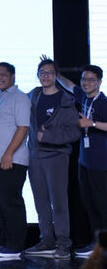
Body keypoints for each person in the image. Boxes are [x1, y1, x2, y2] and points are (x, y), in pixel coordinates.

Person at [24, 58, 80, 259]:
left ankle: (63, 243)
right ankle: (47, 240)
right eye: (42, 72)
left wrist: (49, 136)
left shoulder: (66, 100)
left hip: (56, 156)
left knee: (59, 202)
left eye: (49, 72)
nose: (45, 76)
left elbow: (74, 132)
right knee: (41, 201)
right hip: (35, 157)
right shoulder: (33, 95)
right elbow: (13, 109)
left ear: (56, 75)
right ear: (38, 75)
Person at [55, 63, 107, 258]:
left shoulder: (103, 102)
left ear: (99, 82)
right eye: (84, 78)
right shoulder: (83, 96)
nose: (86, 83)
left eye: (91, 80)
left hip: (101, 163)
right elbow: (70, 85)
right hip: (84, 161)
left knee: (102, 205)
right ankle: (97, 243)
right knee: (89, 203)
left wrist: (91, 123)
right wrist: (57, 74)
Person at [0, 62, 30, 259]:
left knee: (11, 204)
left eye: (3, 75)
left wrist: (9, 153)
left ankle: (15, 246)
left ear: (13, 77)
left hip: (10, 161)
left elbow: (23, 128)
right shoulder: (2, 98)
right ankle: (4, 242)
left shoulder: (20, 98)